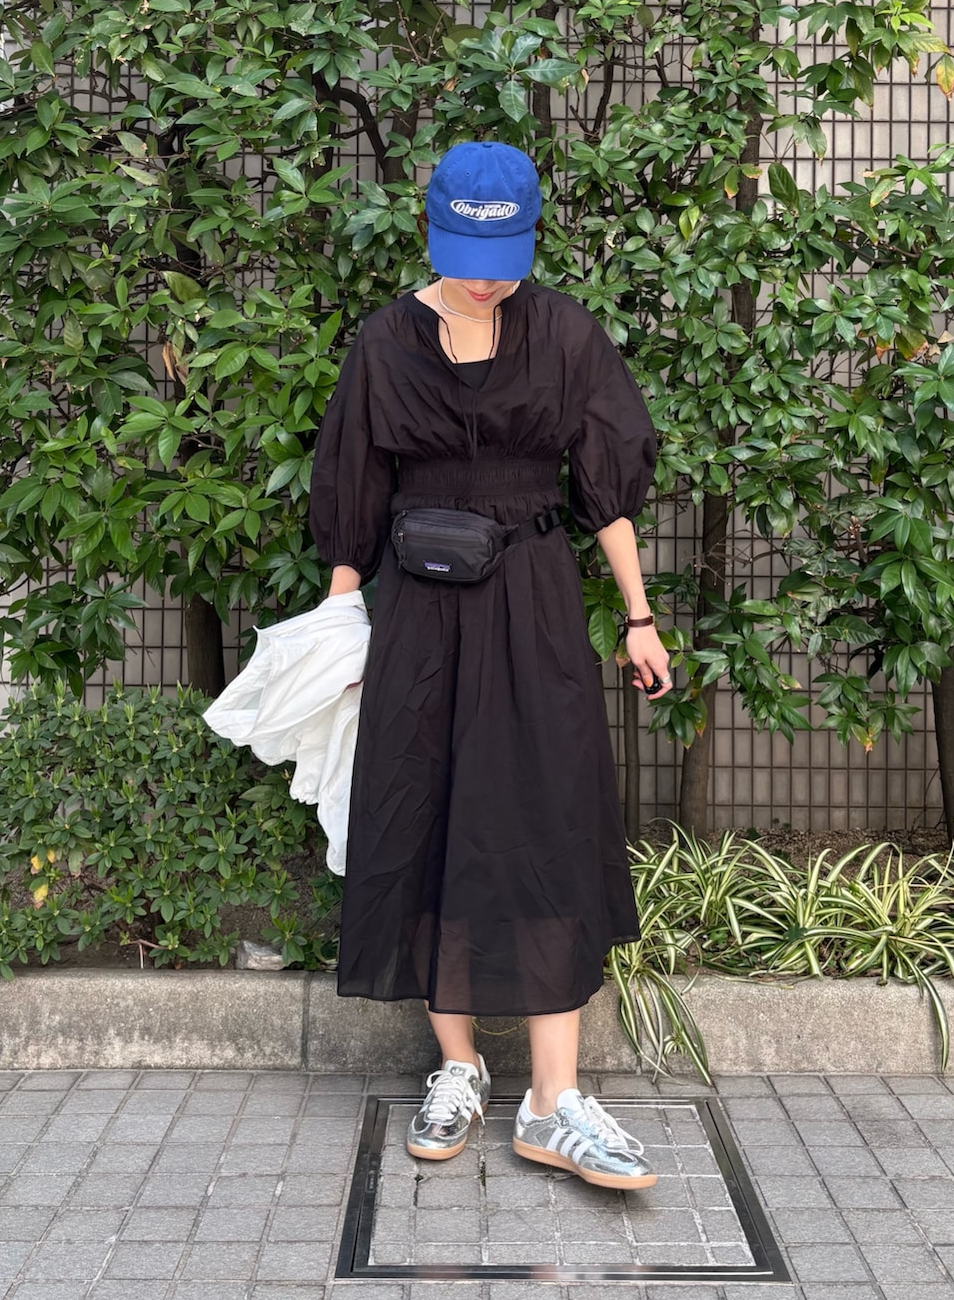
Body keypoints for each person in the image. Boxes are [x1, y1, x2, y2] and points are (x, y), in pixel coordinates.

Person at [308, 141, 671, 1192]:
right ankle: (458, 1066)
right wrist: (339, 624)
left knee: (546, 816)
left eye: (502, 258)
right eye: (466, 257)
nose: (483, 279)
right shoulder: (385, 341)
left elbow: (605, 489)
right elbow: (352, 489)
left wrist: (640, 617)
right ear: (432, 233)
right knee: (422, 811)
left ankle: (554, 1101)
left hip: (533, 602)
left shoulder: (563, 332)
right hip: (420, 613)